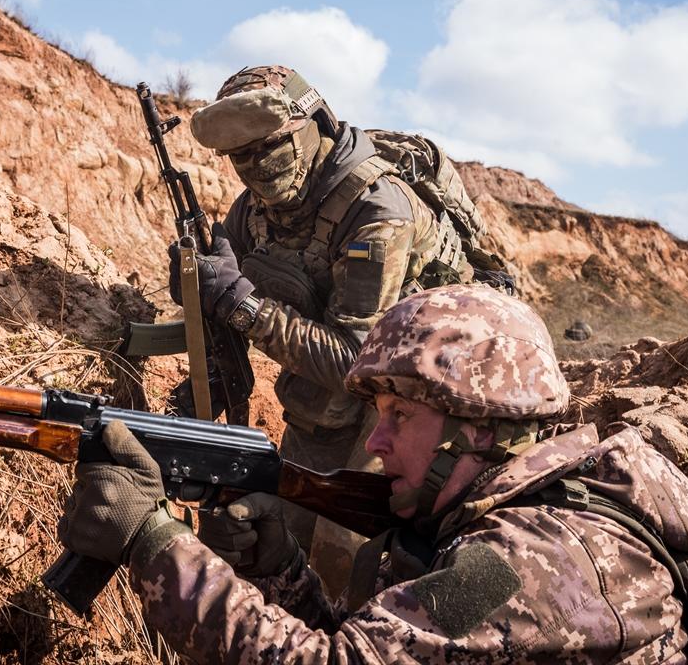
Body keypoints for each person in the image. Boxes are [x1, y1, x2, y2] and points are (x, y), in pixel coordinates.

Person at [60, 284, 688, 664]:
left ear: (478, 426)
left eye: (400, 416)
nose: (376, 441)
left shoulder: (530, 562)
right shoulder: (499, 523)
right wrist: (281, 570)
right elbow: (373, 644)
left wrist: (153, 541)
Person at [167, 64, 487, 590]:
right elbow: (225, 304)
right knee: (279, 532)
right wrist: (200, 305)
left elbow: (354, 360)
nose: (257, 167)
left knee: (348, 559)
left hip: (424, 398)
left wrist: (241, 305)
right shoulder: (253, 213)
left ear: (315, 123)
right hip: (325, 402)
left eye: (271, 146)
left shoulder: (376, 209)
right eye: (239, 157)